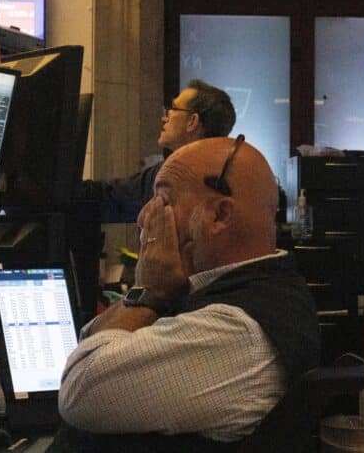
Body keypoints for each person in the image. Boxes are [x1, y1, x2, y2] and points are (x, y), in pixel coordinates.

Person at [55, 136, 320, 452]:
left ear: (219, 216)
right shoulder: (223, 292)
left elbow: (79, 392)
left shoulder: (238, 328)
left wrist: (149, 293)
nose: (143, 218)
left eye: (163, 201)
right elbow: (91, 344)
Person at [82, 79, 236, 223]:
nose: (164, 118)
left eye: (173, 109)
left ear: (192, 121)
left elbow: (111, 199)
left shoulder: (171, 175)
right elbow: (113, 195)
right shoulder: (235, 173)